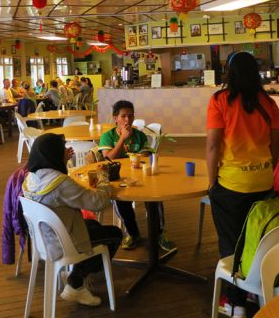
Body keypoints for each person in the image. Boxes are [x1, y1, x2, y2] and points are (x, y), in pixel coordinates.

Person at [205, 52, 279, 315]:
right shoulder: (268, 103)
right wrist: (266, 169)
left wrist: (212, 181)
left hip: (232, 185)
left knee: (231, 243)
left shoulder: (219, 101)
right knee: (256, 238)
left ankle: (235, 303)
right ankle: (252, 287)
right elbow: (275, 145)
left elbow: (214, 145)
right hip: (263, 183)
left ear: (229, 72)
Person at [21, 133, 122, 307]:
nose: (64, 153)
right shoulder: (61, 183)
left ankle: (76, 272)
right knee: (115, 234)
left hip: (44, 239)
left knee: (94, 225)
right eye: (62, 151)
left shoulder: (31, 178)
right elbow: (98, 203)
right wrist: (103, 178)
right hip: (63, 243)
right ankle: (76, 282)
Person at [97, 100, 174, 252]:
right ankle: (133, 233)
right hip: (119, 178)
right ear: (115, 118)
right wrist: (122, 139)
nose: (127, 120)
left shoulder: (140, 136)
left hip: (141, 176)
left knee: (156, 197)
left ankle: (159, 232)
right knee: (120, 201)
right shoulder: (107, 136)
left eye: (130, 116)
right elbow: (109, 158)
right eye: (123, 116)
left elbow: (145, 156)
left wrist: (140, 155)